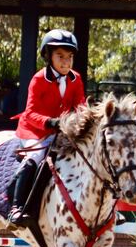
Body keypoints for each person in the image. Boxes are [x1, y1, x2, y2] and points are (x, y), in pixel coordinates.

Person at [8, 29, 85, 225]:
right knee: (34, 157)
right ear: (48, 56)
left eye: (69, 57)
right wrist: (51, 122)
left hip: (62, 131)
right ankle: (16, 207)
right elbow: (30, 112)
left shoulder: (75, 79)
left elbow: (81, 107)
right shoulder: (38, 79)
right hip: (35, 130)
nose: (66, 62)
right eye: (60, 56)